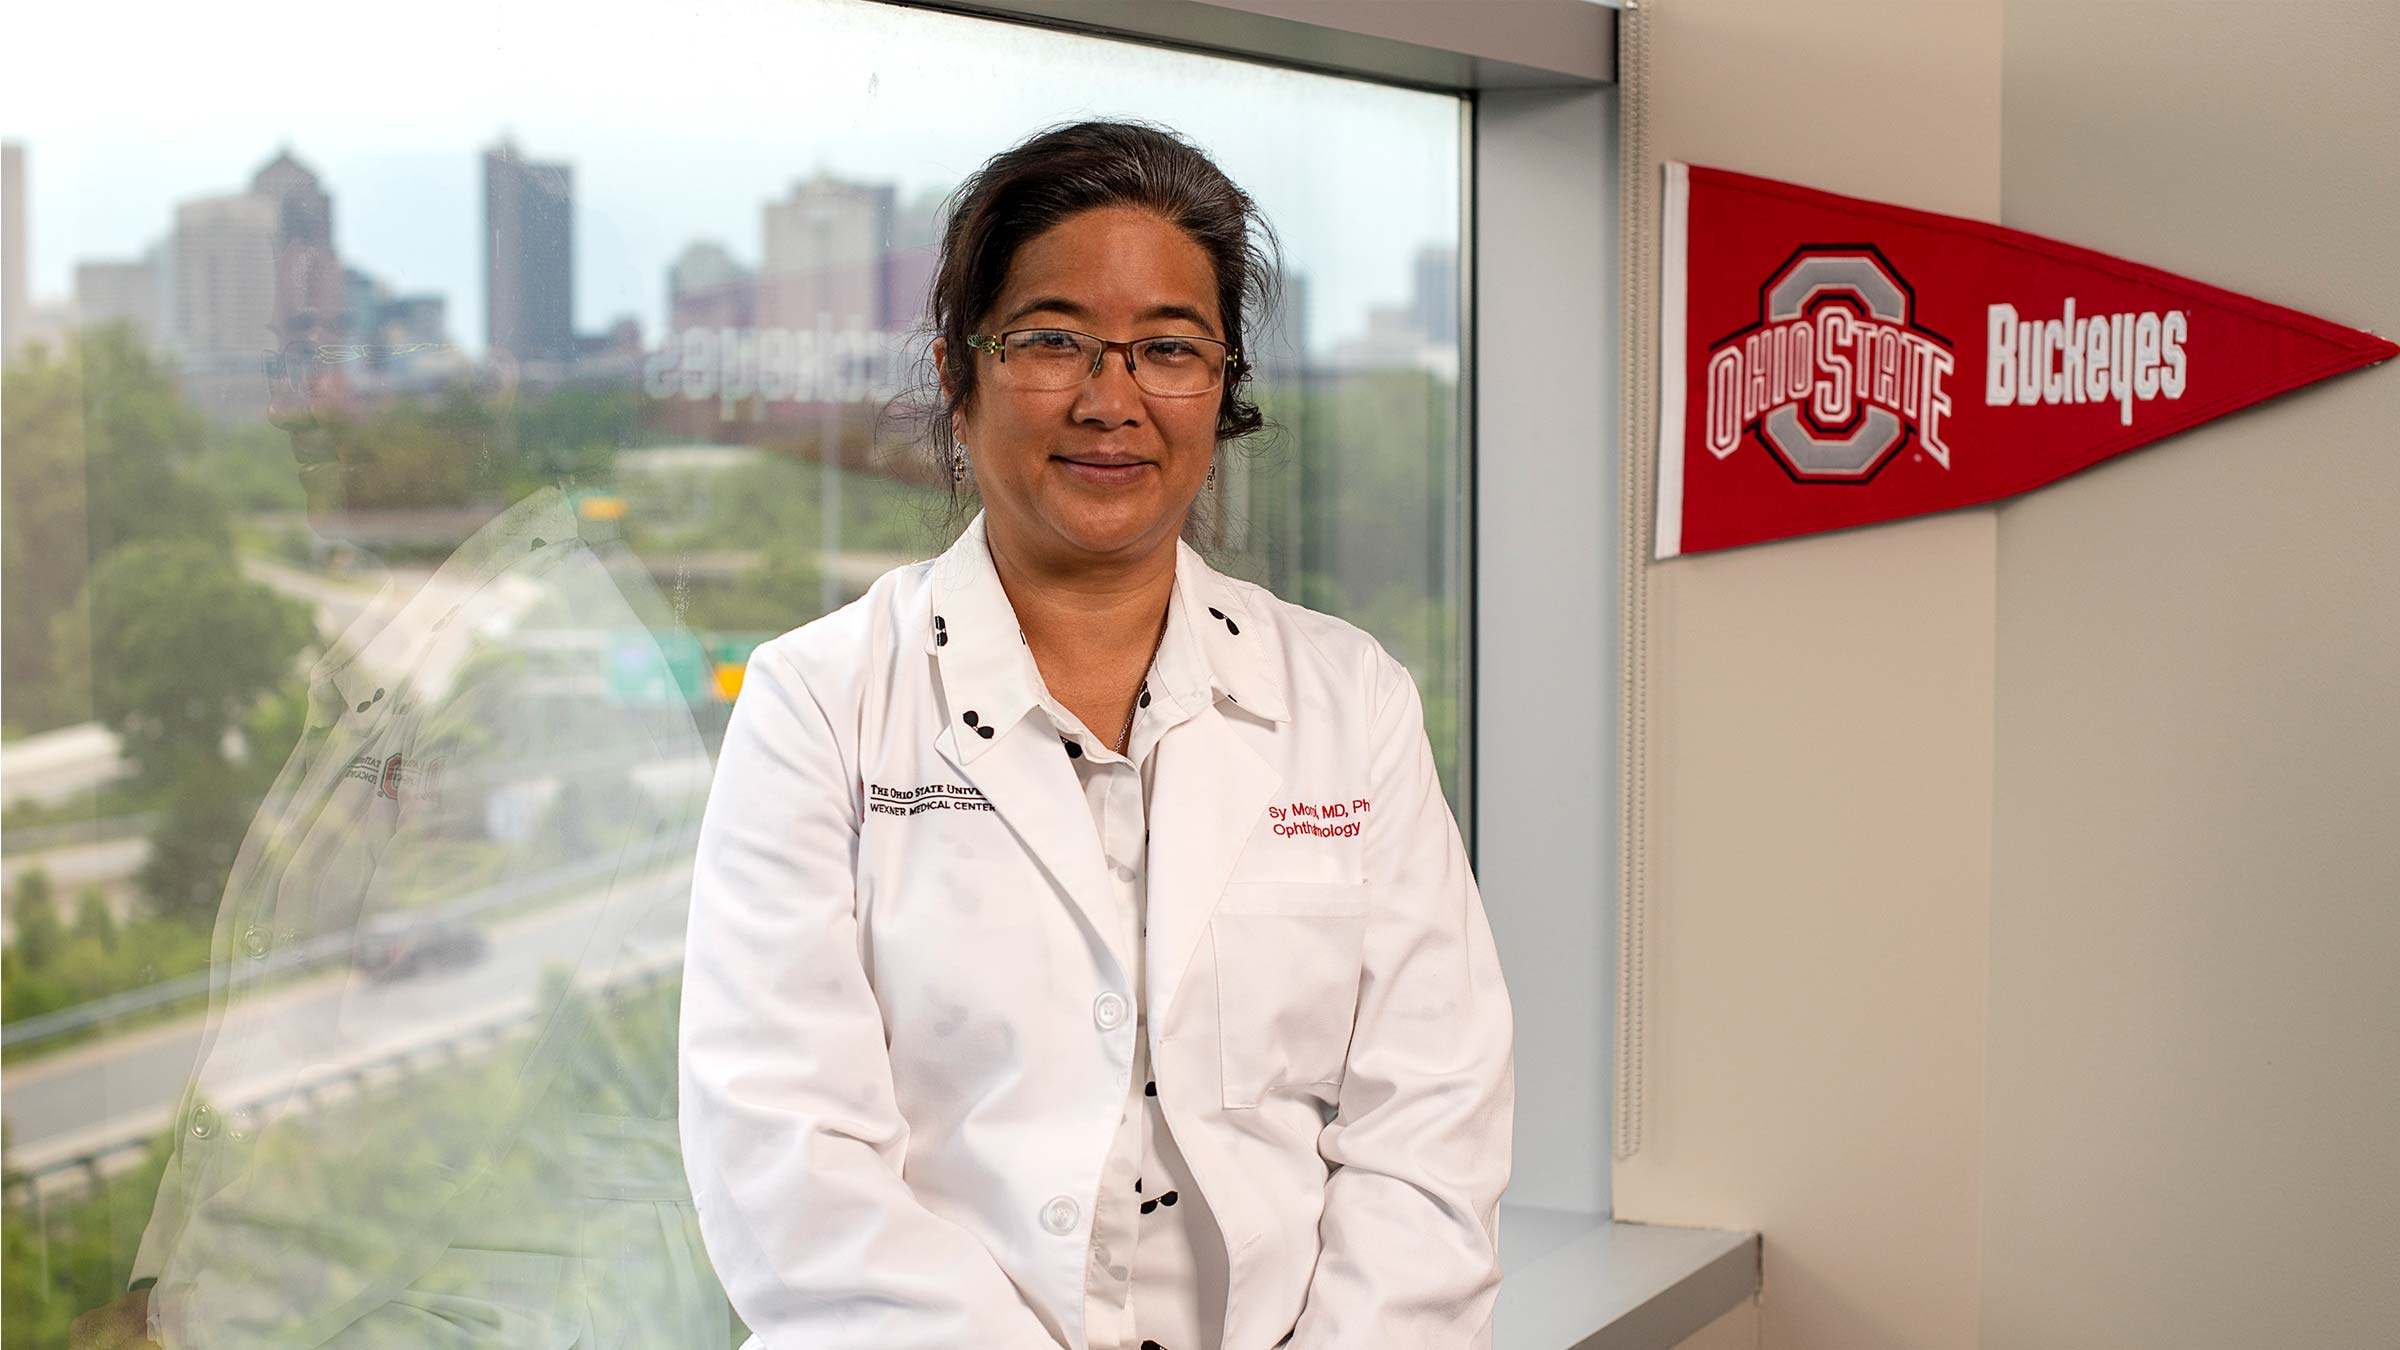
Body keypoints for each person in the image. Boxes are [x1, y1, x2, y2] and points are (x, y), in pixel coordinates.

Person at [677, 118, 1515, 1350]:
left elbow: (1430, 1122)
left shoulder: (1351, 700)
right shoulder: (820, 703)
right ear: (958, 376)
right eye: (1052, 340)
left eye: (1169, 349)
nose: (1110, 398)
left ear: (1222, 391)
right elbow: (789, 1162)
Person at [71, 236, 729, 1348]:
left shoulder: (539, 680)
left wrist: (183, 1326)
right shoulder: (426, 651)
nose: (293, 407)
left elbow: (420, 1088)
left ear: (471, 388)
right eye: (289, 361)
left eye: (337, 358)